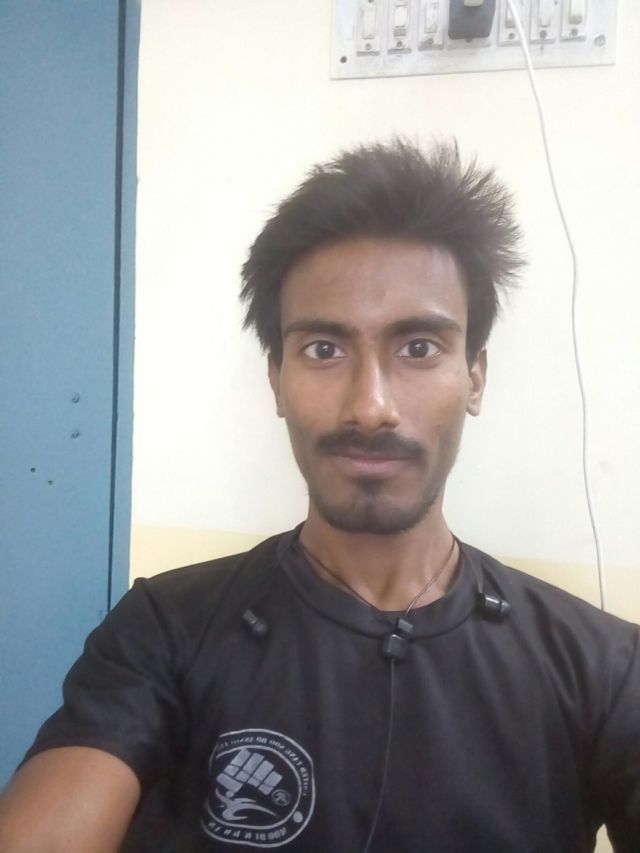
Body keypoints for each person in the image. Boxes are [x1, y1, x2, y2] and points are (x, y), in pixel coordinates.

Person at [0, 139, 638, 853]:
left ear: (475, 377)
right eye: (324, 350)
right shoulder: (164, 630)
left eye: (419, 348)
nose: (370, 407)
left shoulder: (605, 666)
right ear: (277, 378)